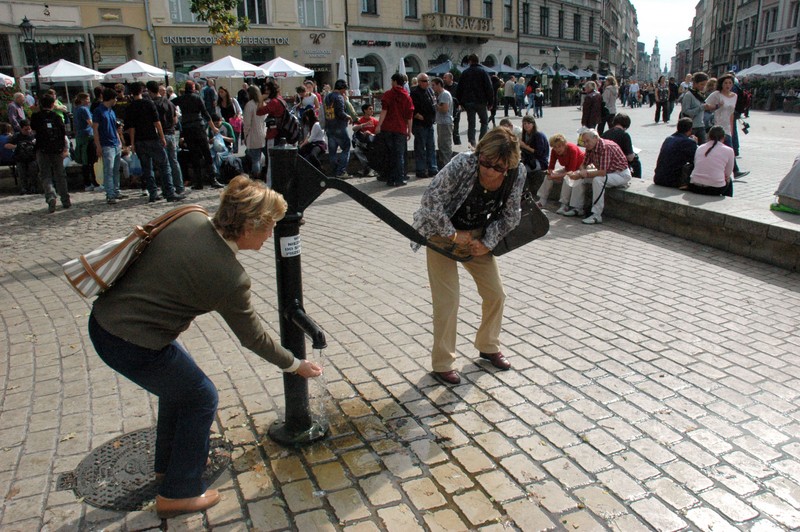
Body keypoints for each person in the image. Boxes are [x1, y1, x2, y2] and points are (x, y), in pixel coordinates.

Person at [88, 175, 323, 519]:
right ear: (249, 226)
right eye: (269, 226)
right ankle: (177, 495)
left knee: (182, 389)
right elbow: (253, 337)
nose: (272, 234)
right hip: (131, 342)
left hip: (107, 321)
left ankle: (168, 469)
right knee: (202, 397)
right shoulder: (229, 276)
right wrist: (295, 364)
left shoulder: (190, 216)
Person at [411, 127, 526, 385]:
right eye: (485, 162)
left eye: (498, 167)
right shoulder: (464, 163)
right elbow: (430, 200)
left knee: (496, 294)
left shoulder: (517, 173)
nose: (488, 170)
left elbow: (512, 216)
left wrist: (487, 241)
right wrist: (452, 234)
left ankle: (488, 345)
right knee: (448, 300)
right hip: (442, 234)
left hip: (477, 237)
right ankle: (442, 363)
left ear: (509, 164)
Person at [127, 82, 184, 203]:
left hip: (139, 140)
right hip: (152, 138)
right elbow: (156, 122)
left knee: (147, 168)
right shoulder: (149, 103)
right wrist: (162, 137)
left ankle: (153, 194)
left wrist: (132, 143)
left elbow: (131, 128)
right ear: (142, 91)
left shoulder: (130, 106)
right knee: (164, 165)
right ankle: (169, 193)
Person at [565, 128, 631, 224]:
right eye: (584, 142)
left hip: (620, 174)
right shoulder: (590, 147)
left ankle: (596, 215)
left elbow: (602, 172)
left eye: (587, 141)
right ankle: (577, 208)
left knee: (598, 180)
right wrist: (581, 171)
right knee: (581, 178)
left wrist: (583, 174)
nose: (585, 144)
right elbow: (583, 164)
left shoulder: (606, 147)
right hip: (609, 172)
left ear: (596, 138)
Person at [175, 80, 222, 190]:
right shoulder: (197, 98)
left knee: (194, 155)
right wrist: (213, 128)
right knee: (206, 153)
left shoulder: (181, 98)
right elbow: (205, 114)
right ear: (193, 88)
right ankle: (213, 180)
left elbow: (171, 103)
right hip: (198, 127)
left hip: (187, 128)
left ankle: (198, 182)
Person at [31, 93, 71, 213]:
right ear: (53, 104)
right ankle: (65, 199)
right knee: (60, 175)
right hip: (57, 149)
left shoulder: (36, 116)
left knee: (45, 175)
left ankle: (51, 196)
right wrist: (64, 149)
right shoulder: (56, 117)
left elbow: (33, 130)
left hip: (42, 149)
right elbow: (63, 133)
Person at [704, 74, 749, 179]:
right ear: (721, 84)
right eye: (725, 83)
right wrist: (716, 106)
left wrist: (732, 129)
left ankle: (735, 171)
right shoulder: (717, 94)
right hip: (716, 125)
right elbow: (705, 105)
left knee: (729, 148)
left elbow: (732, 113)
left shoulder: (734, 96)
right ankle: (733, 171)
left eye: (730, 83)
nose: (728, 85)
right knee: (716, 147)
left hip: (727, 126)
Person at [376, 73, 414, 187]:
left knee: (389, 154)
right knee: (399, 155)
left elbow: (384, 111)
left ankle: (390, 178)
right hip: (400, 129)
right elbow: (409, 116)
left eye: (392, 80)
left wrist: (379, 125)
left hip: (387, 128)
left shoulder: (388, 94)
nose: (391, 82)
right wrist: (409, 130)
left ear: (395, 81)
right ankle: (399, 178)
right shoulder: (407, 97)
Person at [148, 81, 185, 196]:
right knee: (174, 161)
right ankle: (179, 187)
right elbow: (175, 120)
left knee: (163, 164)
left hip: (161, 135)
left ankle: (167, 189)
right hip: (171, 133)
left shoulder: (152, 104)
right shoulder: (169, 103)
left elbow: (154, 122)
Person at [536, 133, 586, 213]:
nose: (557, 149)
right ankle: (542, 200)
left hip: (579, 168)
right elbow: (551, 166)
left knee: (567, 178)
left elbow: (571, 171)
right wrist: (550, 173)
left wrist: (557, 176)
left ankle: (564, 205)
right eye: (555, 147)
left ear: (564, 145)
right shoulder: (554, 151)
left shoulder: (572, 149)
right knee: (548, 177)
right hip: (567, 168)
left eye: (559, 146)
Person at [456, 54, 494, 147]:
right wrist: (491, 102)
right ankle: (482, 141)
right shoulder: (483, 72)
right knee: (484, 121)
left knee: (471, 123)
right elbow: (489, 88)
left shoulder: (465, 72)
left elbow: (459, 88)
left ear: (469, 62)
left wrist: (460, 102)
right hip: (481, 101)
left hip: (468, 102)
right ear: (478, 61)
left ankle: (472, 142)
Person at [93, 90, 124, 205]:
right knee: (109, 170)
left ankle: (116, 191)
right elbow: (95, 129)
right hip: (106, 144)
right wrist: (98, 145)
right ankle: (110, 194)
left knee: (116, 170)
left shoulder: (111, 111)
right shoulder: (98, 111)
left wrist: (119, 141)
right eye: (115, 98)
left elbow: (115, 128)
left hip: (115, 143)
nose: (116, 100)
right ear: (111, 98)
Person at [687, 125, 734, 197]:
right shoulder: (729, 150)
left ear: (708, 136)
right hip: (715, 188)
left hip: (695, 186)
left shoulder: (700, 147)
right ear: (723, 137)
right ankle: (726, 204)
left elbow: (696, 164)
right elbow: (728, 173)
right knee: (729, 180)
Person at [653, 118, 698, 188]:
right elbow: (696, 160)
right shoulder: (689, 142)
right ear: (690, 130)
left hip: (658, 178)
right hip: (672, 181)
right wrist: (695, 143)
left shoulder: (668, 139)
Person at [410, 73, 438, 179]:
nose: (427, 83)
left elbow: (433, 103)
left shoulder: (430, 91)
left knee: (431, 147)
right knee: (420, 148)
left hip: (429, 123)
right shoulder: (415, 93)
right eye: (425, 81)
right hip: (420, 125)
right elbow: (413, 109)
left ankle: (432, 168)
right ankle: (421, 170)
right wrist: (419, 116)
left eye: (428, 81)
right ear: (419, 82)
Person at [323, 79, 352, 178]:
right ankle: (341, 171)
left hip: (329, 127)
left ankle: (335, 171)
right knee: (346, 147)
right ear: (342, 88)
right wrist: (348, 116)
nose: (345, 91)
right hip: (339, 127)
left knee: (332, 152)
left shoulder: (327, 96)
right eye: (345, 89)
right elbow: (340, 113)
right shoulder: (339, 97)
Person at [72, 93, 101, 192]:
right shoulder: (84, 109)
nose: (89, 101)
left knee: (85, 162)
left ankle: (87, 183)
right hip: (88, 137)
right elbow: (91, 123)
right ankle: (95, 183)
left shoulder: (75, 109)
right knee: (92, 161)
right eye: (88, 99)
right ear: (83, 100)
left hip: (80, 137)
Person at [601, 113, 641, 178]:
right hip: (618, 164)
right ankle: (637, 180)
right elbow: (630, 157)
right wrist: (633, 154)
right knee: (636, 161)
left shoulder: (605, 134)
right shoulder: (625, 135)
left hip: (605, 162)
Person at [4, 119, 39, 195]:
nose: (28, 131)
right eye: (26, 129)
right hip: (20, 158)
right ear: (21, 128)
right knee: (21, 171)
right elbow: (6, 145)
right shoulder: (16, 136)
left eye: (29, 129)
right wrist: (17, 146)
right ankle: (24, 187)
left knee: (33, 169)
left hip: (32, 158)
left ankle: (33, 186)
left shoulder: (33, 135)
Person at [242, 85, 266, 181]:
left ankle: (256, 177)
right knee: (261, 157)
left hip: (253, 134)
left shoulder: (250, 105)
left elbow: (247, 123)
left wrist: (245, 135)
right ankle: (261, 175)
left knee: (255, 158)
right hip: (263, 133)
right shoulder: (262, 104)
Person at [679, 71, 709, 144]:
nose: (703, 87)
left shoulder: (701, 95)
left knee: (703, 149)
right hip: (691, 128)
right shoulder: (689, 95)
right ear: (695, 83)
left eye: (705, 85)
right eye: (701, 84)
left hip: (701, 125)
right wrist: (701, 107)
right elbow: (686, 112)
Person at [431, 77, 453, 169]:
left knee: (445, 146)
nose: (432, 87)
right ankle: (445, 165)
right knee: (442, 145)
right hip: (442, 122)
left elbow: (444, 109)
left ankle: (447, 166)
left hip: (445, 123)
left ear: (439, 84)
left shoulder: (444, 95)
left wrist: (435, 103)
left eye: (434, 85)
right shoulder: (440, 95)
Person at [351, 103, 378, 176]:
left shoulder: (375, 121)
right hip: (362, 143)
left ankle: (370, 169)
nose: (372, 110)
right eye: (370, 109)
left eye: (372, 109)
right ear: (365, 110)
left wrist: (370, 134)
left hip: (371, 143)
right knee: (357, 151)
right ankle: (368, 168)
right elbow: (354, 128)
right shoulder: (360, 120)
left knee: (374, 151)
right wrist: (363, 125)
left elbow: (378, 133)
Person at [217, 87, 242, 153]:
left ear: (226, 92)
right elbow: (218, 114)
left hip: (235, 123)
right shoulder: (219, 104)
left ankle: (235, 155)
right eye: (219, 92)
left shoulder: (233, 101)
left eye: (222, 92)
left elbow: (239, 110)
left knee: (235, 139)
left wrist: (237, 115)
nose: (220, 94)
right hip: (225, 124)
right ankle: (229, 152)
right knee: (227, 140)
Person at [443, 72, 461, 145]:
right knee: (447, 129)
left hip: (455, 109)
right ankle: (448, 144)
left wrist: (460, 105)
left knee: (455, 129)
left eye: (445, 78)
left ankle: (457, 144)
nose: (444, 79)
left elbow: (461, 96)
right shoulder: (444, 87)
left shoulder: (457, 86)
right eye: (443, 77)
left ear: (451, 78)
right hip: (447, 110)